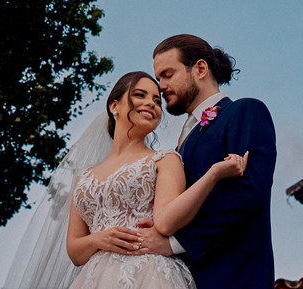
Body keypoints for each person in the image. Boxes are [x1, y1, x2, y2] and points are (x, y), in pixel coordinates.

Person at [63, 71, 248, 289]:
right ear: (114, 106)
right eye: (140, 95)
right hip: (94, 279)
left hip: (149, 274)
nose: (151, 104)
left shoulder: (164, 159)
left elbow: (166, 221)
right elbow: (75, 252)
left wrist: (213, 174)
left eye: (157, 101)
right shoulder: (84, 177)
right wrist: (99, 240)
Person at [152, 35, 277, 289]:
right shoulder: (181, 141)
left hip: (234, 276)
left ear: (199, 68)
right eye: (158, 79)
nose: (161, 86)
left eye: (167, 74)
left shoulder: (245, 111)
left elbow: (247, 195)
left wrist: (174, 244)